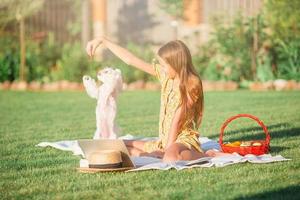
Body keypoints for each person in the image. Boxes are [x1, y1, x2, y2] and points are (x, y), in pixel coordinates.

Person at [86, 36, 224, 162]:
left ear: (176, 63)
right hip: (164, 141)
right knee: (117, 146)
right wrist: (103, 41)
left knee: (170, 157)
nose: (162, 69)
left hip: (183, 140)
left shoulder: (191, 83)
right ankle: (153, 155)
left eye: (164, 65)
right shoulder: (166, 76)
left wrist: (168, 148)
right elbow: (131, 60)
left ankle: (207, 155)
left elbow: (178, 117)